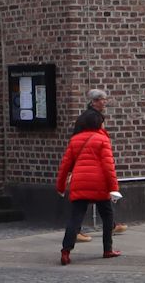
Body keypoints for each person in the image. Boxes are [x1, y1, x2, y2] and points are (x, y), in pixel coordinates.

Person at [56, 108, 121, 264]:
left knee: (75, 218)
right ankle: (107, 249)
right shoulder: (102, 140)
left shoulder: (75, 140)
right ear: (99, 124)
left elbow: (65, 165)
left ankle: (66, 251)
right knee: (107, 216)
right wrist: (114, 189)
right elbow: (108, 167)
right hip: (99, 183)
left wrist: (60, 186)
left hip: (79, 182)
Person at [76, 89, 127, 241]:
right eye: (102, 99)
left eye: (105, 99)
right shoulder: (94, 118)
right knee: (84, 201)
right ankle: (76, 232)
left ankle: (111, 225)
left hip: (87, 163)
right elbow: (97, 140)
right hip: (91, 164)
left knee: (99, 199)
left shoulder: (87, 116)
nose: (105, 102)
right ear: (94, 101)